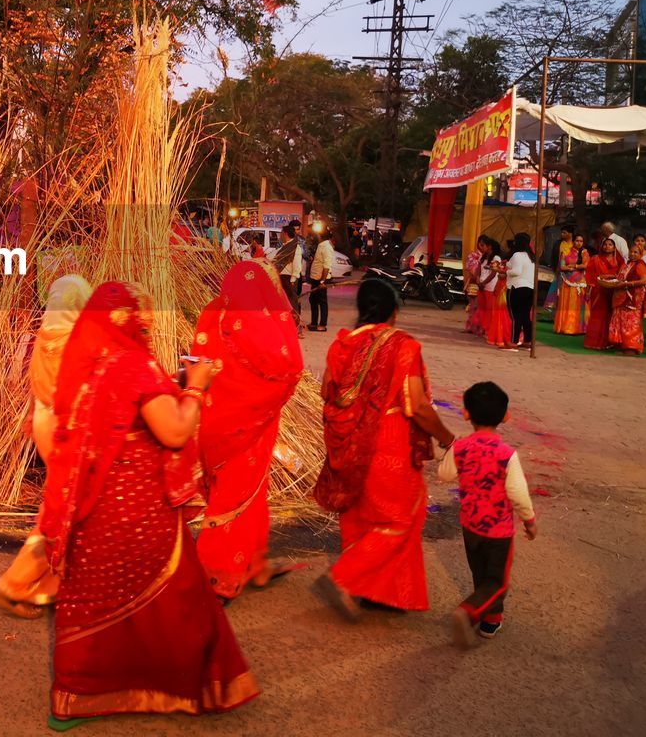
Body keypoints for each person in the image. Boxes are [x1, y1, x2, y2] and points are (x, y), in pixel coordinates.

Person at [41, 282, 256, 727]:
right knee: (174, 598)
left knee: (91, 600)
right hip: (139, 509)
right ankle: (169, 685)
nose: (151, 323)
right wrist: (195, 387)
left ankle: (76, 696)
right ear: (130, 320)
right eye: (145, 315)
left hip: (93, 509)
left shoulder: (87, 363)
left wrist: (171, 387)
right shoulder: (135, 365)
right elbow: (174, 431)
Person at [313, 278, 456, 619]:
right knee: (401, 517)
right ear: (393, 312)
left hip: (347, 442)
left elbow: (326, 392)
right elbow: (418, 405)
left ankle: (379, 592)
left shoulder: (341, 345)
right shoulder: (402, 346)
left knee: (360, 516)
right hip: (386, 441)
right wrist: (447, 438)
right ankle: (345, 578)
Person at [191, 260, 303, 601]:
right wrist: (266, 402)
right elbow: (289, 369)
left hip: (211, 422)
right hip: (248, 426)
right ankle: (217, 576)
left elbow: (195, 360)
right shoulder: (263, 321)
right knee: (235, 495)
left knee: (248, 491)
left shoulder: (212, 310)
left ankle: (255, 563)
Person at [0, 275, 93, 618]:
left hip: (43, 424)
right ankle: (17, 583)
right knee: (65, 507)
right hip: (68, 430)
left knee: (63, 500)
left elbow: (36, 387)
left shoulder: (44, 335)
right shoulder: (80, 342)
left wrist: (31, 417)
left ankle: (53, 583)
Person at [437, 381, 537, 647]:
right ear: (505, 416)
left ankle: (491, 620)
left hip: (471, 526)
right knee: (497, 581)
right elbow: (517, 493)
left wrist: (451, 450)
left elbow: (444, 474)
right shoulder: (507, 454)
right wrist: (529, 521)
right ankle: (468, 612)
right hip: (498, 531)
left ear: (466, 413)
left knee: (480, 574)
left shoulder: (461, 448)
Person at [607, 241, 646, 356]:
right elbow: (621, 277)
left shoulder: (640, 265)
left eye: (636, 252)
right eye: (631, 251)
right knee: (622, 322)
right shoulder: (628, 264)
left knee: (630, 323)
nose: (633, 254)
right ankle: (623, 346)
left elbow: (645, 280)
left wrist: (627, 284)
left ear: (640, 255)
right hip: (622, 297)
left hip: (632, 300)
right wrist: (610, 277)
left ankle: (632, 347)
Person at [584, 238, 625, 351]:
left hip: (613, 291)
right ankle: (594, 342)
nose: (607, 246)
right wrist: (592, 287)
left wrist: (613, 278)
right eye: (605, 244)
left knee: (611, 316)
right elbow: (590, 275)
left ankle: (609, 342)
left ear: (614, 247)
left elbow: (623, 274)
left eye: (610, 244)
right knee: (598, 315)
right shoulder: (595, 259)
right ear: (602, 246)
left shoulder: (619, 260)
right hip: (599, 291)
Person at [553, 233, 590, 335]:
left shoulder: (584, 252)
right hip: (567, 281)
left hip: (580, 282)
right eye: (577, 241)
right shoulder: (566, 251)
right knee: (567, 303)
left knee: (579, 304)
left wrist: (573, 266)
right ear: (573, 241)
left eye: (581, 241)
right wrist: (575, 267)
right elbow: (562, 266)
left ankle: (580, 329)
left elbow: (586, 265)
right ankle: (566, 328)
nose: (579, 243)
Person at [478, 237, 512, 350]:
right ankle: (485, 328)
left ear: (489, 246)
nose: (480, 247)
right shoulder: (483, 257)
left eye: (482, 245)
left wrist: (483, 282)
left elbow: (493, 273)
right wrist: (478, 280)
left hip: (491, 286)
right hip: (482, 285)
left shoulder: (496, 257)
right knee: (483, 309)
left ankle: (490, 331)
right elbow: (479, 269)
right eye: (480, 245)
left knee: (490, 310)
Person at [506, 233, 536, 349]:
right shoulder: (531, 256)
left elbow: (516, 271)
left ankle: (513, 341)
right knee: (525, 316)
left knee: (515, 316)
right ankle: (528, 341)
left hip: (516, 288)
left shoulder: (517, 255)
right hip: (530, 288)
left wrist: (505, 272)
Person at [273, 220, 304, 327]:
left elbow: (297, 265)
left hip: (289, 278)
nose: (280, 235)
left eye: (281, 233)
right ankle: (285, 324)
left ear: (285, 233)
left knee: (292, 302)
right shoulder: (285, 246)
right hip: (282, 277)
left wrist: (293, 279)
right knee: (283, 302)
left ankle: (295, 326)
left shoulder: (295, 247)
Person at [305, 228, 335, 333]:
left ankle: (322, 324)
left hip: (320, 279)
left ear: (320, 236)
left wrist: (322, 281)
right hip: (315, 278)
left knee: (322, 302)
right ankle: (314, 323)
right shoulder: (321, 245)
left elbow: (326, 266)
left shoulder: (326, 247)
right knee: (313, 300)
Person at [544, 226, 574, 311]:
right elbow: (554, 256)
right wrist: (555, 267)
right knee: (556, 288)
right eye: (562, 232)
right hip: (559, 270)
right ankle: (552, 308)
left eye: (564, 232)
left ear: (570, 234)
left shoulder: (574, 245)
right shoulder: (558, 243)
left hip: (572, 272)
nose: (562, 234)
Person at [463, 237, 487, 336]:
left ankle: (480, 327)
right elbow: (471, 270)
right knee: (473, 306)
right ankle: (472, 327)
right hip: (474, 284)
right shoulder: (473, 255)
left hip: (484, 284)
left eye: (484, 244)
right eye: (480, 244)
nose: (482, 246)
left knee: (481, 307)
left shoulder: (488, 256)